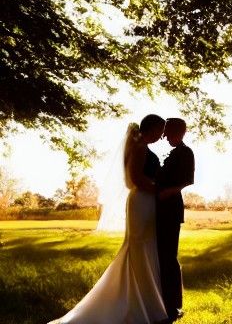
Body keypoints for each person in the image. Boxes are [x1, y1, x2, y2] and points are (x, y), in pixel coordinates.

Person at [49, 114, 169, 324]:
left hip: (147, 201)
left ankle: (146, 301)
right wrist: (159, 189)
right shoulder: (140, 147)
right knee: (137, 248)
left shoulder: (142, 146)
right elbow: (136, 179)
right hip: (142, 200)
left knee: (145, 249)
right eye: (161, 130)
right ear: (153, 128)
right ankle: (138, 304)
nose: (162, 135)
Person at [156, 118, 195, 322]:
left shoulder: (186, 152)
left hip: (171, 207)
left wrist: (169, 191)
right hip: (162, 207)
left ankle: (173, 306)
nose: (165, 137)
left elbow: (187, 180)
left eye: (167, 133)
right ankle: (162, 301)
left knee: (169, 257)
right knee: (161, 256)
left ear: (179, 133)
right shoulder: (173, 153)